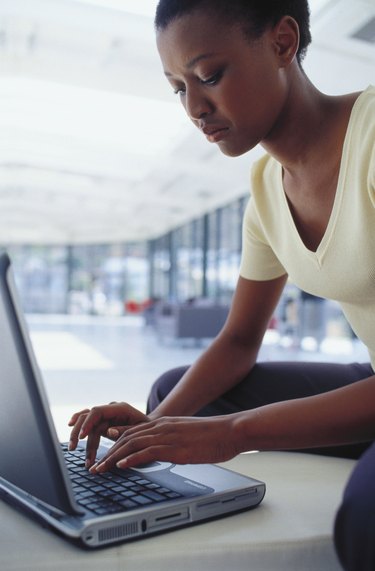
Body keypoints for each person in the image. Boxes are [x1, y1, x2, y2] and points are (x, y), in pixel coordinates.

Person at [68, 1, 375, 569]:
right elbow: (238, 341)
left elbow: (230, 423)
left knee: (367, 512)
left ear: (283, 43)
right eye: (179, 88)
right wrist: (154, 430)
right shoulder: (264, 186)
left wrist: (230, 432)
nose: (195, 107)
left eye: (210, 75)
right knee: (176, 389)